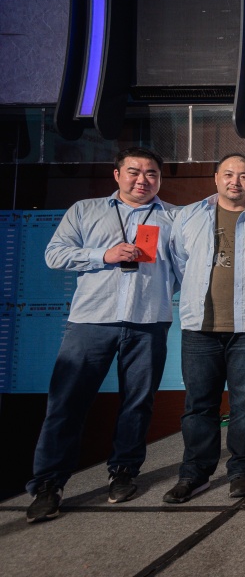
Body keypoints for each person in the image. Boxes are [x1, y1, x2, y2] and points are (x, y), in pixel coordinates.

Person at [26, 148, 178, 523]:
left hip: (148, 321)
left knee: (138, 402)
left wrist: (167, 293)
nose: (142, 179)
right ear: (117, 175)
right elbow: (54, 255)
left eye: (151, 173)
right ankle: (48, 484)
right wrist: (102, 255)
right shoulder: (85, 210)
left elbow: (185, 267)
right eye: (134, 171)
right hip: (91, 320)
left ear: (160, 179)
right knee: (67, 402)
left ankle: (124, 472)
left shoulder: (174, 217)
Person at [163, 153, 245, 503]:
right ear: (216, 177)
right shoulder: (188, 216)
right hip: (199, 327)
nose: (236, 181)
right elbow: (180, 262)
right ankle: (194, 473)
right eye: (229, 174)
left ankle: (241, 471)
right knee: (198, 404)